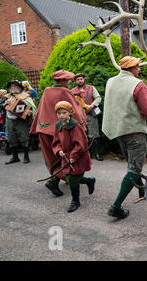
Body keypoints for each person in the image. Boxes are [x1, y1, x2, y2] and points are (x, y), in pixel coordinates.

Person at [102, 56, 147, 219]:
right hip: (134, 132)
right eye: (138, 67)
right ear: (131, 68)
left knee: (133, 164)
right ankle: (116, 207)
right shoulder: (138, 84)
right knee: (133, 170)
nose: (139, 70)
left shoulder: (110, 81)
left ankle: (142, 189)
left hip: (118, 131)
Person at [30, 70, 86, 198]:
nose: (70, 82)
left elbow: (40, 110)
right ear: (62, 81)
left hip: (43, 130)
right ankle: (57, 181)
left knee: (52, 156)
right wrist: (82, 126)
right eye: (68, 79)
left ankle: (56, 180)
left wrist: (36, 127)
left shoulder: (46, 91)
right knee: (65, 156)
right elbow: (74, 109)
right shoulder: (65, 92)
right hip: (59, 131)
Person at [52, 101, 95, 213]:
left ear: (70, 113)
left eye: (64, 112)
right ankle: (89, 181)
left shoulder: (75, 126)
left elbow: (81, 143)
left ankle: (75, 201)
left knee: (73, 179)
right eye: (59, 113)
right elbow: (56, 141)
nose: (61, 115)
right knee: (68, 177)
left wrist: (73, 155)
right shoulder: (58, 125)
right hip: (65, 156)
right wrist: (59, 150)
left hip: (77, 156)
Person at [71, 73, 103, 161]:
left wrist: (92, 106)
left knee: (94, 134)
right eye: (78, 79)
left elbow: (98, 98)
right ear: (75, 81)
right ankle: (86, 154)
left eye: (81, 79)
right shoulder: (72, 91)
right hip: (79, 116)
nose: (80, 81)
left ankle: (97, 154)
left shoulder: (91, 88)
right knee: (82, 135)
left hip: (91, 114)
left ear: (84, 79)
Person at [3, 80, 36, 164]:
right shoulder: (7, 96)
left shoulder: (26, 96)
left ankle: (26, 156)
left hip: (21, 121)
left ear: (19, 88)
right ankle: (15, 157)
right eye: (11, 87)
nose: (12, 88)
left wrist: (30, 111)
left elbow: (32, 106)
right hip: (9, 119)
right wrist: (4, 104)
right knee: (11, 138)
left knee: (24, 137)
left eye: (14, 86)